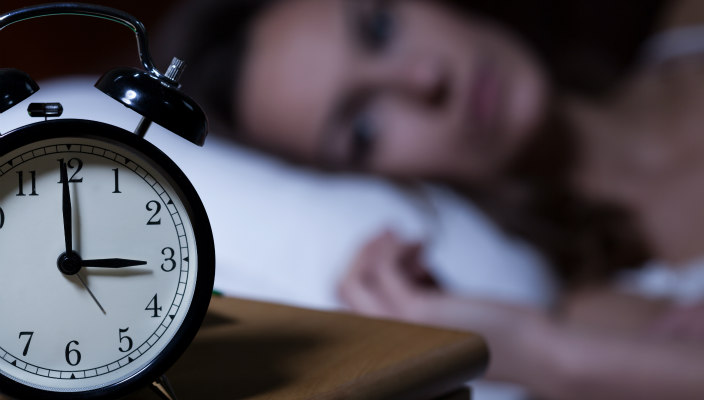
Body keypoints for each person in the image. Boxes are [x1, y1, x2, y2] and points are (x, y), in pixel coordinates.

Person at [156, 0, 704, 398]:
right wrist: (543, 356)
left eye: (380, 26)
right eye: (364, 129)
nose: (425, 78)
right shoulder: (620, 324)